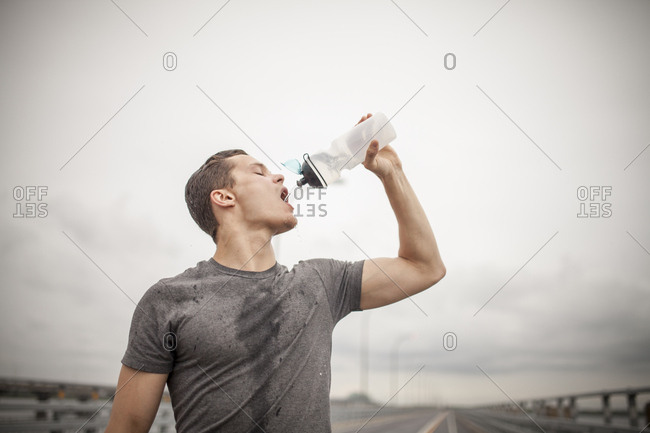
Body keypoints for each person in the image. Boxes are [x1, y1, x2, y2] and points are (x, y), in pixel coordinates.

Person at [105, 113, 445, 433]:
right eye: (259, 172)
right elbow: (127, 428)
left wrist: (393, 173)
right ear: (223, 197)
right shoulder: (166, 301)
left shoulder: (321, 283)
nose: (280, 176)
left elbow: (424, 267)